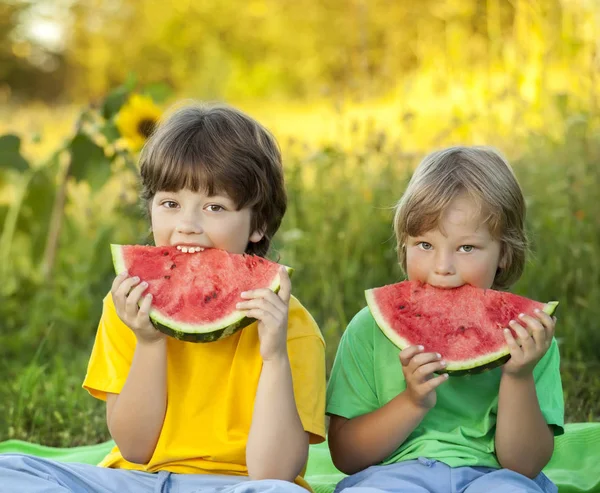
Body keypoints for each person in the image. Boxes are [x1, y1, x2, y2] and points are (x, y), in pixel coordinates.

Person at [0, 102, 326, 493]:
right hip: (137, 480)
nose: (187, 226)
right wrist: (148, 341)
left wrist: (274, 358)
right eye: (170, 204)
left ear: (258, 224)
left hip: (238, 486)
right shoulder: (128, 305)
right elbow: (136, 447)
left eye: (214, 207)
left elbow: (274, 473)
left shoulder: (292, 326)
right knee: (11, 469)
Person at [326, 146, 564, 493]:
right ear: (403, 243)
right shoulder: (368, 329)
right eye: (424, 244)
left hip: (494, 477)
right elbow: (345, 455)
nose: (442, 267)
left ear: (504, 254)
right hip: (393, 476)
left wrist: (518, 375)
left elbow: (524, 465)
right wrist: (412, 403)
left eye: (466, 248)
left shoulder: (529, 338)